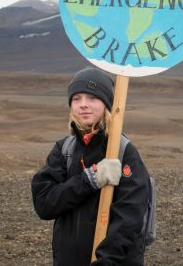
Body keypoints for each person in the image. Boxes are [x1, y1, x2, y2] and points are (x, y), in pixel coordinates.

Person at [31, 67, 152, 266]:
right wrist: (90, 179)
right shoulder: (65, 150)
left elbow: (130, 219)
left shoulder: (123, 152)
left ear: (106, 103)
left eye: (92, 98)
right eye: (77, 98)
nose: (83, 105)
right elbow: (44, 204)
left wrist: (104, 261)